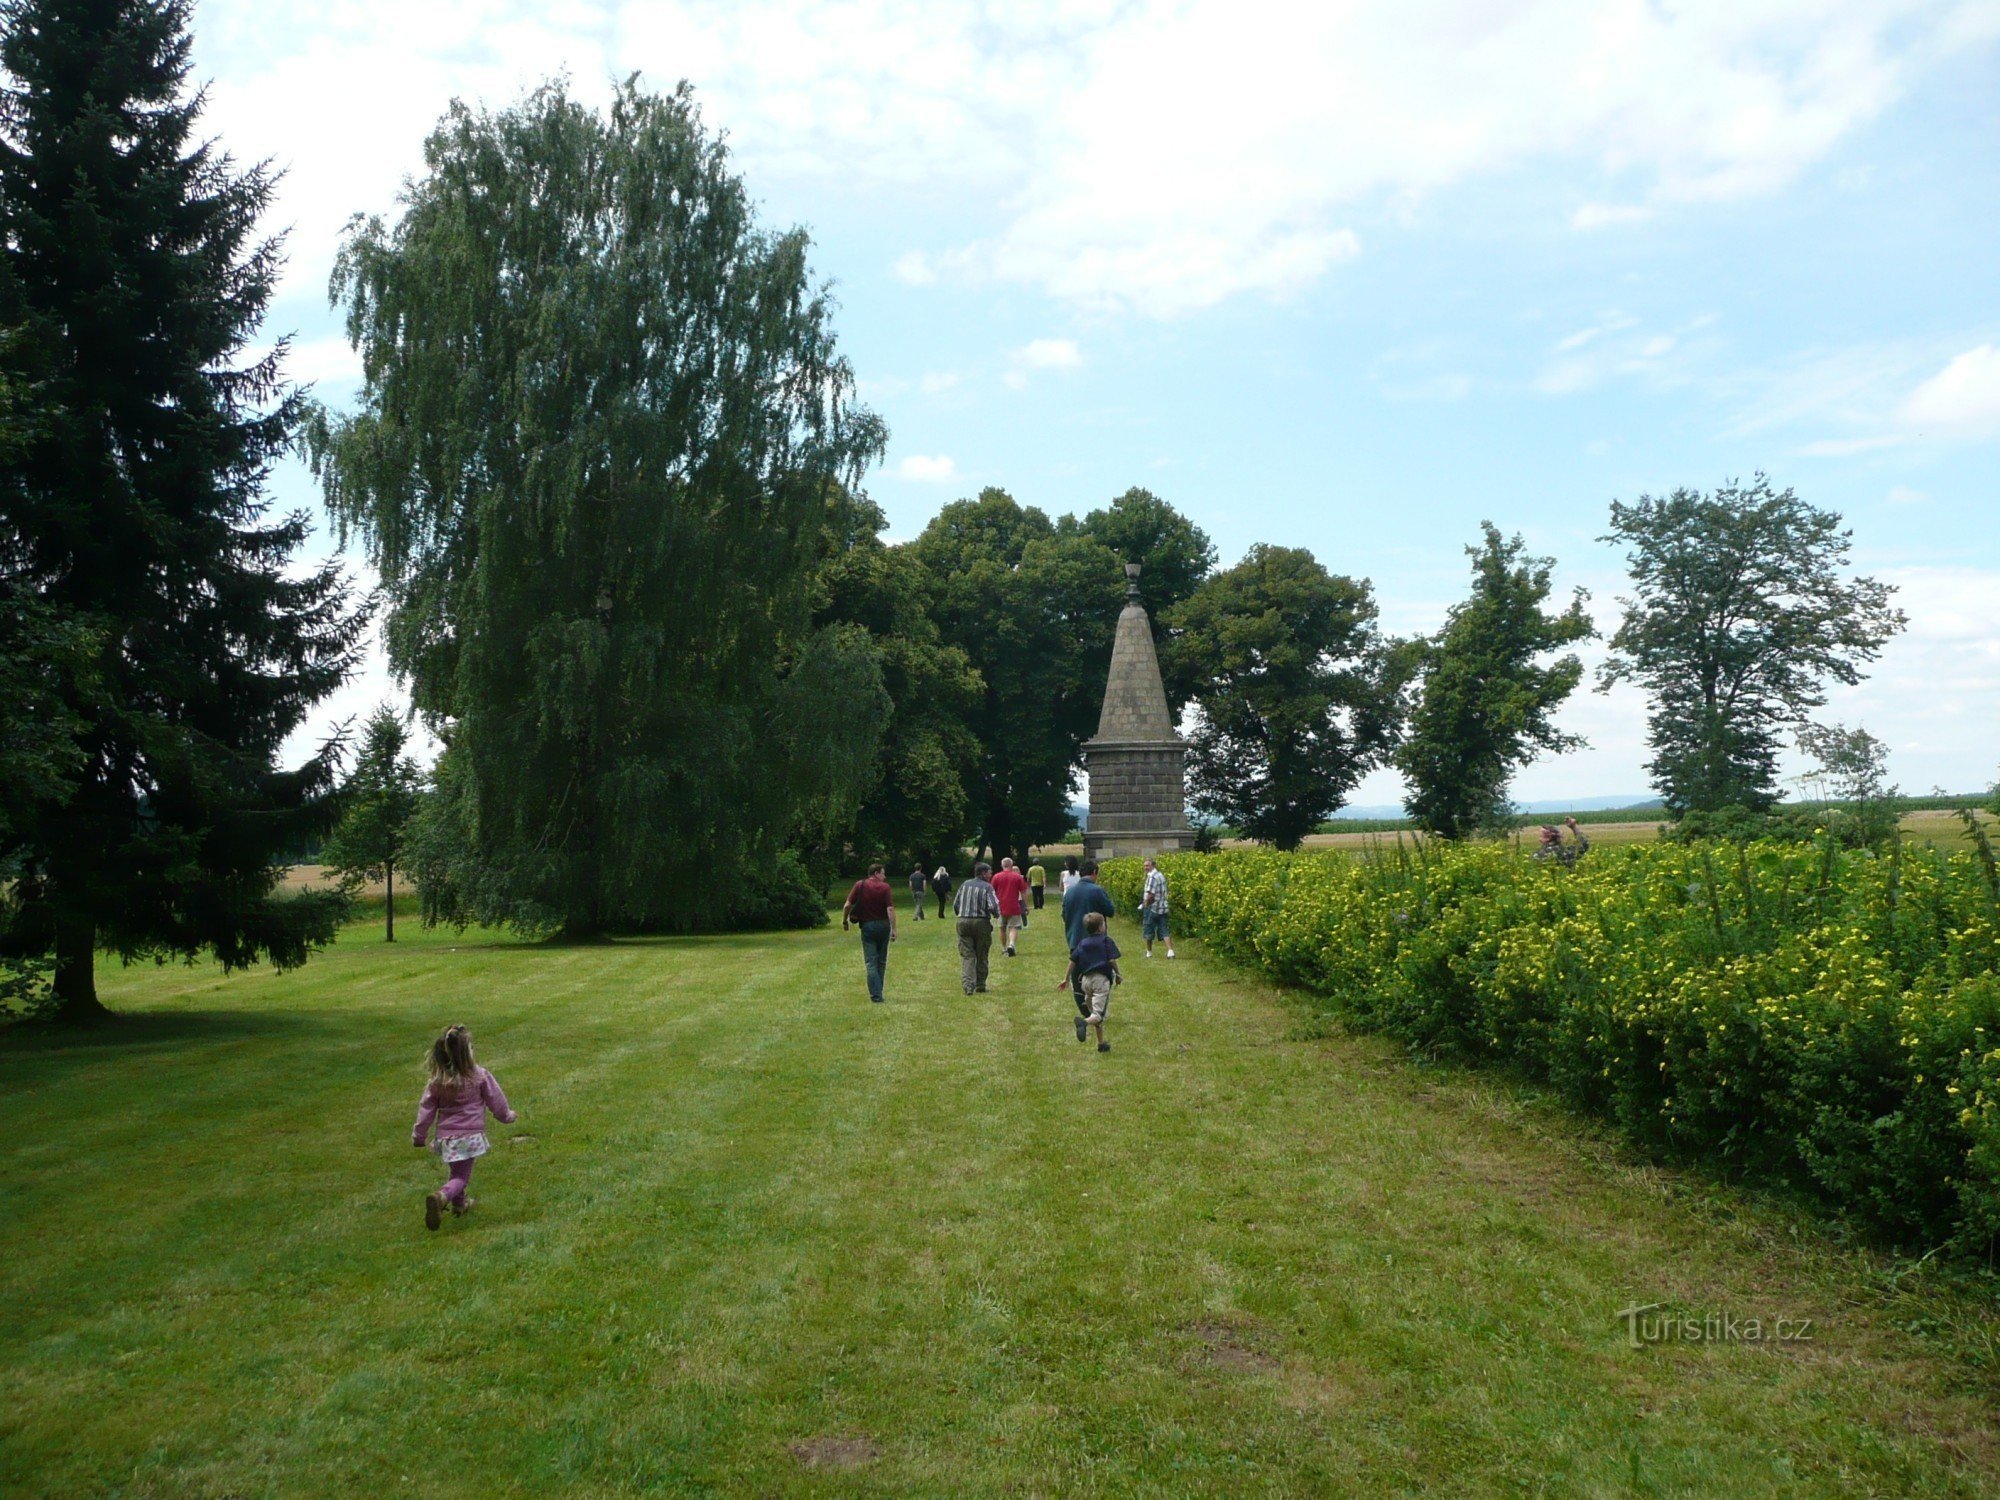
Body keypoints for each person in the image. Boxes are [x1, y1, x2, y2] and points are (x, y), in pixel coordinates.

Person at [412, 1024, 517, 1231]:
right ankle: (442, 1196)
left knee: (456, 1170)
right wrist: (507, 1116)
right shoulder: (479, 1075)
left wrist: (419, 1135)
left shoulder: (438, 1081)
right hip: (469, 1137)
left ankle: (460, 1205)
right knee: (461, 1177)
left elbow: (426, 1109)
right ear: (466, 1055)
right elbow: (496, 1100)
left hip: (447, 1138)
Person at [1060, 858, 1116, 1022]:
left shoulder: (1070, 891)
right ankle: (1097, 1013)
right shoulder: (1096, 890)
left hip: (1075, 940)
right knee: (1102, 978)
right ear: (1094, 873)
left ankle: (1085, 1011)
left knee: (1078, 980)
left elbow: (1064, 915)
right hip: (1097, 943)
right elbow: (1110, 911)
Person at [1056, 909, 1121, 1052]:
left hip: (1086, 981)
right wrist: (1118, 974)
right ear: (1100, 927)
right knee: (1098, 1014)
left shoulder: (1082, 943)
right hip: (1100, 981)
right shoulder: (1106, 941)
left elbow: (1072, 961)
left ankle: (1101, 1044)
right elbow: (1112, 960)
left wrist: (1066, 979)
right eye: (1103, 924)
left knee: (1094, 1014)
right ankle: (1083, 1023)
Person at [843, 861, 898, 1003]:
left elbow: (847, 905)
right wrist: (894, 929)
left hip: (867, 927)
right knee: (881, 961)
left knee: (870, 962)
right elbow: (890, 909)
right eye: (883, 873)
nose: (884, 876)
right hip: (883, 926)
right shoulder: (885, 888)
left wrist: (845, 921)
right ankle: (878, 992)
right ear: (876, 873)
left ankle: (876, 995)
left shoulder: (860, 885)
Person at [953, 860, 1001, 994]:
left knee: (968, 955)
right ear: (983, 873)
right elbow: (993, 906)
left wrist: (962, 915)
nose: (991, 875)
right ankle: (980, 984)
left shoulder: (964, 885)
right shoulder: (987, 887)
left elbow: (956, 905)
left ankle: (968, 985)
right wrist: (996, 915)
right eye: (989, 873)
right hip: (981, 922)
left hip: (963, 921)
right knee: (982, 954)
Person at [992, 856, 1029, 957]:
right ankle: (1011, 944)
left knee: (1002, 928)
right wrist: (1026, 905)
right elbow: (1024, 892)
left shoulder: (996, 877)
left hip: (1000, 906)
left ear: (1002, 865)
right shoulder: (1017, 877)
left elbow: (992, 892)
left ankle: (1004, 949)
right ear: (1012, 865)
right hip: (1014, 905)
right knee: (1014, 926)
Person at [1140, 857, 1175, 959]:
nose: (1145, 867)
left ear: (1153, 865)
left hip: (1152, 907)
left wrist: (1145, 904)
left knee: (1148, 928)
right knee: (1164, 929)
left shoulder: (1152, 877)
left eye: (1147, 865)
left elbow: (1151, 894)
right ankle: (1170, 951)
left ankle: (1149, 952)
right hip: (1163, 906)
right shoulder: (1160, 875)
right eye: (1144, 865)